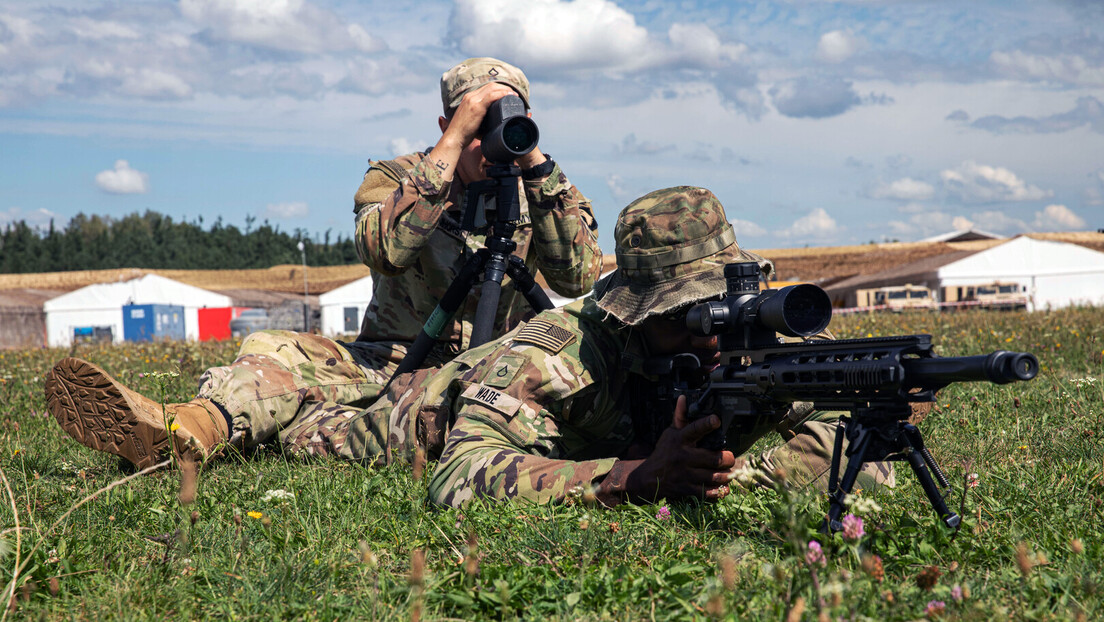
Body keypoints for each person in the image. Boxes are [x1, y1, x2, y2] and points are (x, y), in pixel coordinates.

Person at [45, 57, 602, 471]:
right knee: (275, 350)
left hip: (492, 367)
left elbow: (577, 276)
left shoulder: (540, 187)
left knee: (387, 414)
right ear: (445, 124)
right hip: (387, 361)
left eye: (505, 121)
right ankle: (190, 428)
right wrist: (451, 149)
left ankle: (311, 429)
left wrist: (534, 162)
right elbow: (383, 251)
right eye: (477, 124)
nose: (489, 141)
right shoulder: (398, 176)